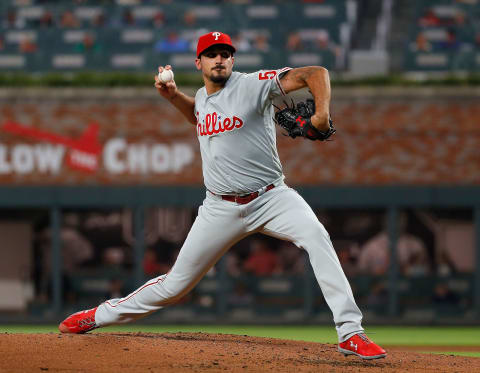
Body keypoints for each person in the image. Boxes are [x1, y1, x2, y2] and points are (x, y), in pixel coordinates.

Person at [59, 31, 386, 360]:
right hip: (219, 208)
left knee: (317, 237)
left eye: (225, 53)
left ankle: (350, 331)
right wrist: (173, 96)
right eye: (212, 54)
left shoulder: (253, 84)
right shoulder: (202, 96)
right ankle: (98, 315)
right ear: (198, 62)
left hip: (272, 198)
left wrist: (321, 115)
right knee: (175, 286)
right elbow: (200, 116)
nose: (219, 59)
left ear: (233, 60)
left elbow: (316, 74)